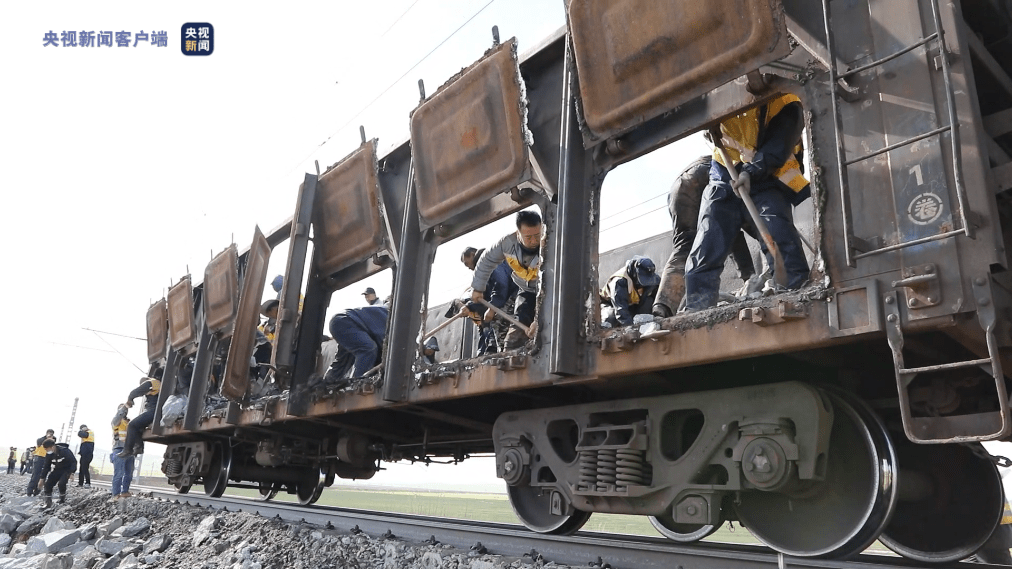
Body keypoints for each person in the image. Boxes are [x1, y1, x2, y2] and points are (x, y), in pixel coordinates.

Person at [683, 94, 811, 312]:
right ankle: (698, 306)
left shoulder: (786, 101)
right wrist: (705, 127)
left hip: (768, 176)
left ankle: (793, 296)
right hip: (725, 172)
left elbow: (778, 144)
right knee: (708, 240)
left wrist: (752, 172)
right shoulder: (715, 93)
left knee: (778, 237)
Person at [652, 156, 758, 317]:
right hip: (711, 172)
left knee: (684, 245)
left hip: (679, 185)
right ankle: (753, 281)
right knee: (729, 225)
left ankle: (662, 306)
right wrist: (749, 278)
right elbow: (735, 235)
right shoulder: (746, 167)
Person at [470, 210, 542, 349]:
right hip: (526, 290)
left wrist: (539, 319)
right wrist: (478, 288)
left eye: (537, 235)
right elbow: (486, 260)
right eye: (528, 237)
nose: (534, 241)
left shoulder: (552, 241)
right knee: (513, 340)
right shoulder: (507, 244)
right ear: (518, 233)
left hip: (553, 290)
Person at [460, 246, 519, 355]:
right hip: (509, 295)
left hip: (516, 293)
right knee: (493, 319)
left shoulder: (491, 263)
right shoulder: (488, 270)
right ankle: (497, 349)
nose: (468, 267)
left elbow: (501, 286)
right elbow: (485, 296)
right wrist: (469, 306)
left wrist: (492, 309)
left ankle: (506, 352)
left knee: (498, 319)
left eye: (466, 263)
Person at [324, 305, 389, 382]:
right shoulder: (395, 319)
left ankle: (324, 385)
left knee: (342, 361)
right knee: (368, 349)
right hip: (346, 321)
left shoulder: (387, 312)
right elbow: (385, 348)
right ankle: (356, 385)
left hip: (345, 322)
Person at [601, 256, 661, 327]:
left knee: (649, 303)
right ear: (634, 274)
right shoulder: (619, 281)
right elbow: (620, 310)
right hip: (611, 304)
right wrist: (631, 328)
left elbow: (658, 296)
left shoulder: (654, 278)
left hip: (632, 304)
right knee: (610, 318)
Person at [117, 375, 161, 459]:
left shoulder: (151, 382)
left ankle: (127, 449)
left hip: (153, 411)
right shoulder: (157, 385)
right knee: (139, 426)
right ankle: (138, 447)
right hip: (154, 410)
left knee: (132, 425)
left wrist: (130, 399)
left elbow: (135, 392)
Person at [40, 439, 76, 508]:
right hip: (57, 469)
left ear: (52, 447)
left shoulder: (65, 451)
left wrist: (72, 473)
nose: (46, 451)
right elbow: (46, 466)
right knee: (48, 484)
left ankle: (62, 500)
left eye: (47, 449)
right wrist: (42, 478)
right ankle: (48, 503)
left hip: (67, 470)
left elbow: (73, 462)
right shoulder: (49, 455)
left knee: (62, 483)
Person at [110, 404, 134, 498]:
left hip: (129, 450)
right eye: (122, 410)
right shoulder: (116, 422)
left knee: (129, 473)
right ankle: (115, 494)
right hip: (119, 449)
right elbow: (119, 415)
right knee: (119, 473)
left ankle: (125, 492)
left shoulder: (129, 423)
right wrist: (125, 407)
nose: (125, 411)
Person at [26, 430, 54, 496]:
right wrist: (46, 438)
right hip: (39, 458)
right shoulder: (41, 439)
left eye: (51, 434)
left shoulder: (53, 440)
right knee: (35, 475)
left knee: (42, 476)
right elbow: (39, 442)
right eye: (49, 434)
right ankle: (29, 491)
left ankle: (37, 491)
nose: (50, 435)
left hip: (46, 458)